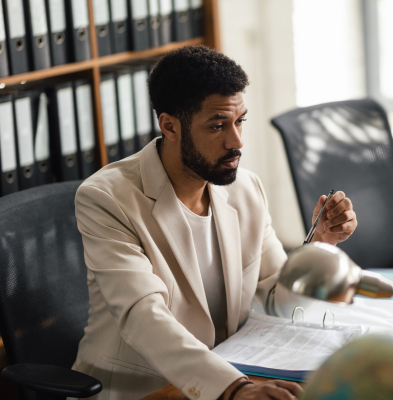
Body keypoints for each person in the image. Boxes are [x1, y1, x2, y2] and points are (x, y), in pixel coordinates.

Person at [71, 45, 357, 400]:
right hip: (145, 388)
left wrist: (320, 245)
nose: (236, 141)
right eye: (218, 126)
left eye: (240, 122)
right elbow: (143, 317)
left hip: (232, 368)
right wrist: (234, 389)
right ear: (170, 126)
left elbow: (273, 300)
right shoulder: (107, 198)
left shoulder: (246, 188)